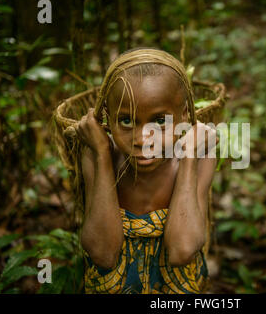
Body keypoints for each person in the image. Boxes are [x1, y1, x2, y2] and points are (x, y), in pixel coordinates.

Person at [76, 48, 217, 293]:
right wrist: (102, 155)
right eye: (127, 121)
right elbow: (103, 254)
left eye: (160, 121)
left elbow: (182, 250)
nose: (143, 139)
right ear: (108, 119)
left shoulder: (201, 154)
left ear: (183, 115)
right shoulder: (97, 152)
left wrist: (189, 159)